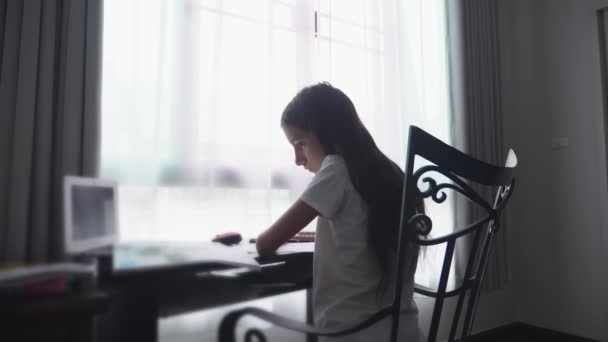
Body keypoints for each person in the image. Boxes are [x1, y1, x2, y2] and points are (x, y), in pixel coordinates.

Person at [256, 82, 422, 341]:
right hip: (405, 331)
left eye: (300, 144)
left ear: (326, 133)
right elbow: (360, 229)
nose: (298, 159)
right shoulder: (391, 174)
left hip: (351, 334)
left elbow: (265, 244)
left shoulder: (335, 169)